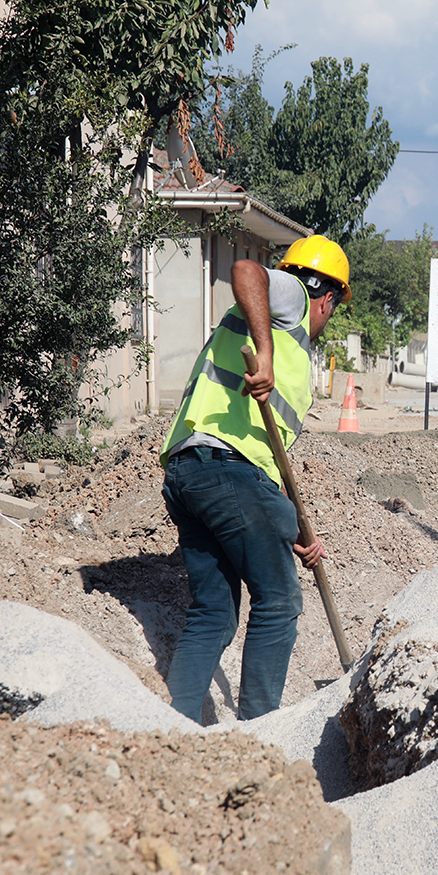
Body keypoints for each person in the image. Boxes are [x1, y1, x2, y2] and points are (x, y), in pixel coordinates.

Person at [158, 234, 350, 723]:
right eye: (333, 307)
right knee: (280, 600)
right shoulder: (294, 297)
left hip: (191, 471)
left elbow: (271, 458)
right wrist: (264, 350)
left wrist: (297, 530)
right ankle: (261, 731)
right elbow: (246, 269)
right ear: (327, 297)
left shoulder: (293, 352)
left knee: (215, 615)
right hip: (227, 470)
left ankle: (171, 727)